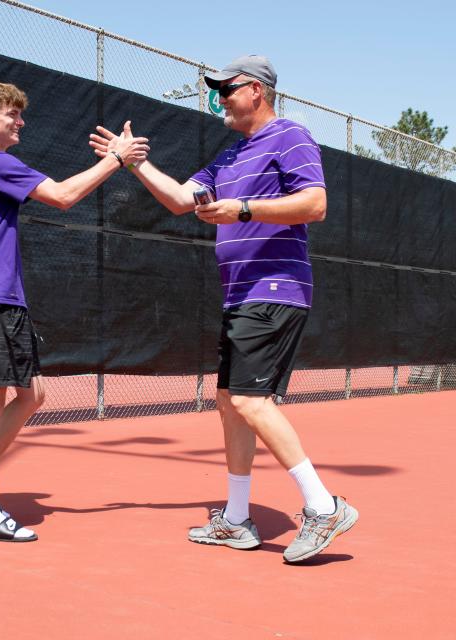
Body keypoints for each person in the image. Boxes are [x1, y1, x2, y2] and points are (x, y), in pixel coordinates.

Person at [89, 55, 357, 562]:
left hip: (275, 288)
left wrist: (244, 209)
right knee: (230, 402)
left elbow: (314, 204)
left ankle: (324, 508)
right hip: (240, 294)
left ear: (257, 91)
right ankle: (236, 520)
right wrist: (134, 162)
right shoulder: (229, 157)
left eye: (226, 89)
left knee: (252, 403)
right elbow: (178, 199)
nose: (218, 99)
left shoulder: (291, 137)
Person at [0, 80, 149, 542]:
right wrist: (116, 159)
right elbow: (64, 196)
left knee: (32, 395)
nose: (21, 122)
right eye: (12, 114)